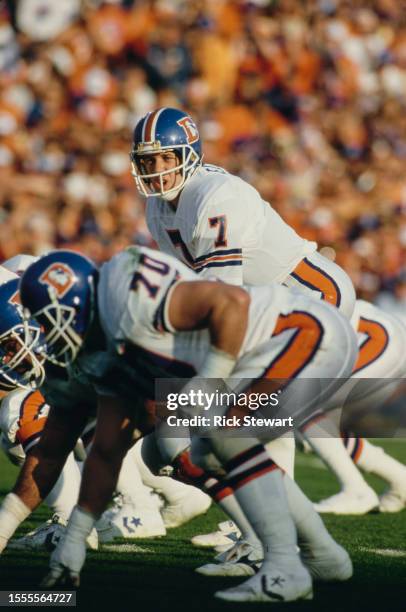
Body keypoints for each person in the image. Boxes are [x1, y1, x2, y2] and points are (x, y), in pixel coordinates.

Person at [14, 246, 357, 602]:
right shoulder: (105, 354)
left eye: (49, 319)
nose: (47, 333)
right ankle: (324, 555)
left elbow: (232, 304)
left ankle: (285, 566)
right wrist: (74, 542)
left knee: (222, 431)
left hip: (306, 336)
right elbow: (106, 452)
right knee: (208, 452)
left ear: (76, 304)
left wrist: (208, 386)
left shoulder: (127, 295)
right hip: (275, 354)